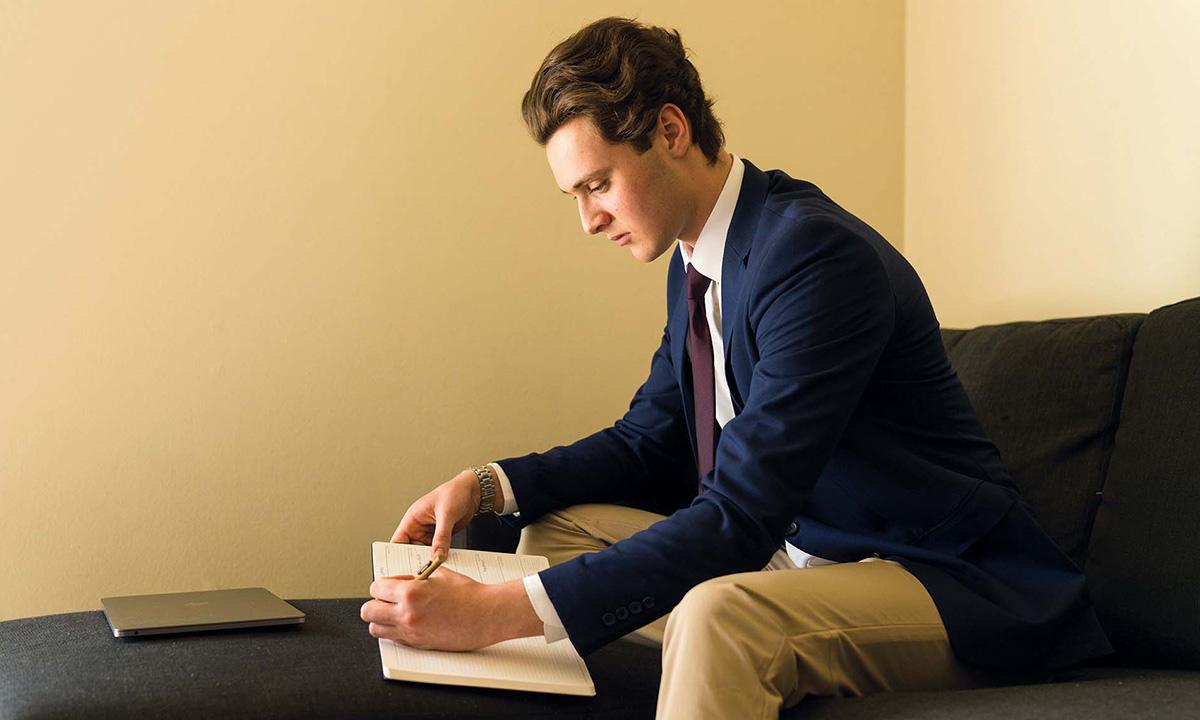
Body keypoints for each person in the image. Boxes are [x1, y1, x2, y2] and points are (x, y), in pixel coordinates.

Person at [359, 16, 1113, 718]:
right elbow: (646, 443)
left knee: (721, 614)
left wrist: (494, 613)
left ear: (671, 130)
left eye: (597, 184)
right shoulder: (697, 260)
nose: (588, 219)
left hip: (947, 578)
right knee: (560, 533)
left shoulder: (814, 258)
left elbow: (738, 515)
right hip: (798, 555)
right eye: (575, 194)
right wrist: (491, 485)